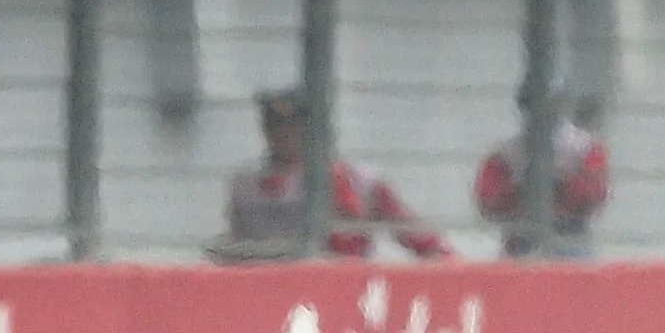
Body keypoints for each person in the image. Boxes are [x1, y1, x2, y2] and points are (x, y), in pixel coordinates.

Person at [216, 86, 448, 262]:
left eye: (292, 124)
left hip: (336, 286)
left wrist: (445, 265)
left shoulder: (354, 178)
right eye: (274, 123)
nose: (282, 132)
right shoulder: (246, 183)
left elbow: (413, 232)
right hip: (267, 287)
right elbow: (236, 239)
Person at [474, 98, 611, 259]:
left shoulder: (583, 147)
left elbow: (592, 194)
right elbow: (489, 201)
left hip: (569, 238)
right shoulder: (506, 153)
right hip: (522, 240)